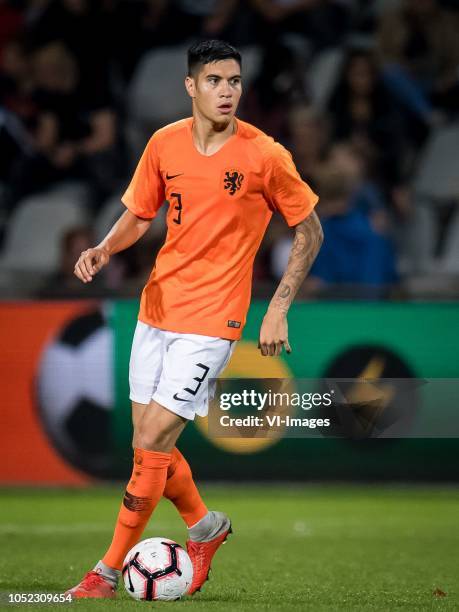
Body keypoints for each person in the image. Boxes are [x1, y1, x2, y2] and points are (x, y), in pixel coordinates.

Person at [67, 39, 322, 599]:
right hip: (157, 308)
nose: (227, 90)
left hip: (214, 320)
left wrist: (277, 305)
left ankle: (105, 573)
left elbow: (310, 229)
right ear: (191, 86)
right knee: (145, 445)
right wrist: (106, 248)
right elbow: (140, 213)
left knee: (155, 437)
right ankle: (205, 529)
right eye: (215, 81)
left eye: (234, 81)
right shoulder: (164, 144)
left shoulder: (265, 154)